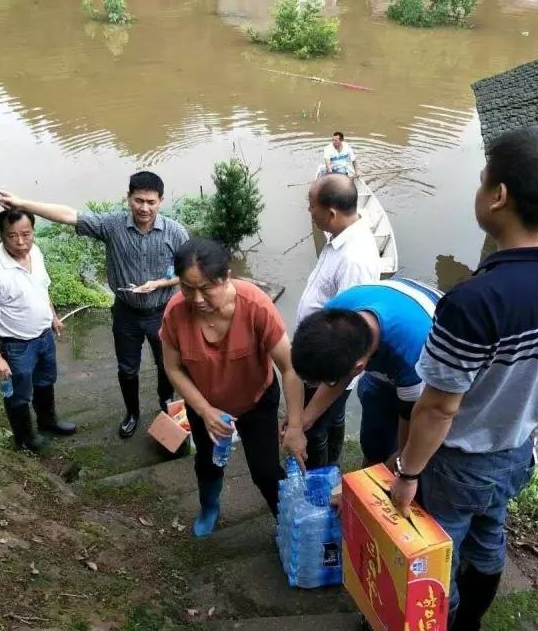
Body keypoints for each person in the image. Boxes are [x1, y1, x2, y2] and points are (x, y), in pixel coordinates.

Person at [391, 128, 538, 631]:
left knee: (441, 547)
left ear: (498, 197)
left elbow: (437, 408)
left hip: (462, 459)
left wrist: (407, 472)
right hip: (519, 447)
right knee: (489, 534)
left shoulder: (474, 301)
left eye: (482, 182)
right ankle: (470, 626)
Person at [0, 172, 188, 440]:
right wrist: (22, 203)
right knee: (127, 369)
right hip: (126, 313)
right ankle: (132, 414)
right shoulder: (112, 226)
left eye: (151, 202)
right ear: (128, 198)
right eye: (139, 200)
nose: (145, 208)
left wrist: (158, 284)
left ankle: (166, 406)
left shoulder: (175, 232)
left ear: (161, 201)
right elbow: (68, 215)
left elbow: (190, 272)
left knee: (167, 365)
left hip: (163, 313)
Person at [161, 238, 304, 537]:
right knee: (208, 464)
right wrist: (204, 410)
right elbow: (173, 368)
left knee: (265, 470)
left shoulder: (255, 305)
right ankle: (210, 507)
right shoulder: (175, 312)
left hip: (255, 399)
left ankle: (286, 522)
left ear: (227, 278)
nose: (197, 299)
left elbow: (290, 367)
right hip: (206, 405)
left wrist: (296, 425)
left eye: (206, 288)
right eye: (188, 288)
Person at [284, 279, 441, 470]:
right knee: (374, 439)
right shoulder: (333, 318)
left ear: (359, 367)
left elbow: (412, 419)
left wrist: (401, 463)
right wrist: (300, 423)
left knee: (408, 456)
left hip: (427, 356)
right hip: (389, 332)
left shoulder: (410, 356)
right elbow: (339, 376)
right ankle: (371, 464)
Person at [295, 175, 381, 468]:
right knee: (332, 419)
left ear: (330, 212)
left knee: (317, 425)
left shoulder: (354, 258)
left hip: (328, 363)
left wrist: (331, 376)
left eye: (311, 206)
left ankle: (318, 479)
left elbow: (348, 330)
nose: (309, 212)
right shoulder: (340, 240)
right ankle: (331, 465)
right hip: (319, 354)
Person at [0, 209, 76, 451]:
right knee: (18, 394)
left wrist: (53, 316)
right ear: (1, 235)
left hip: (44, 336)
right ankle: (25, 438)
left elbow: (42, 288)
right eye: (12, 236)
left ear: (33, 231)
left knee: (45, 381)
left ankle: (48, 421)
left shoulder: (35, 252)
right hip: (16, 345)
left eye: (26, 234)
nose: (21, 242)